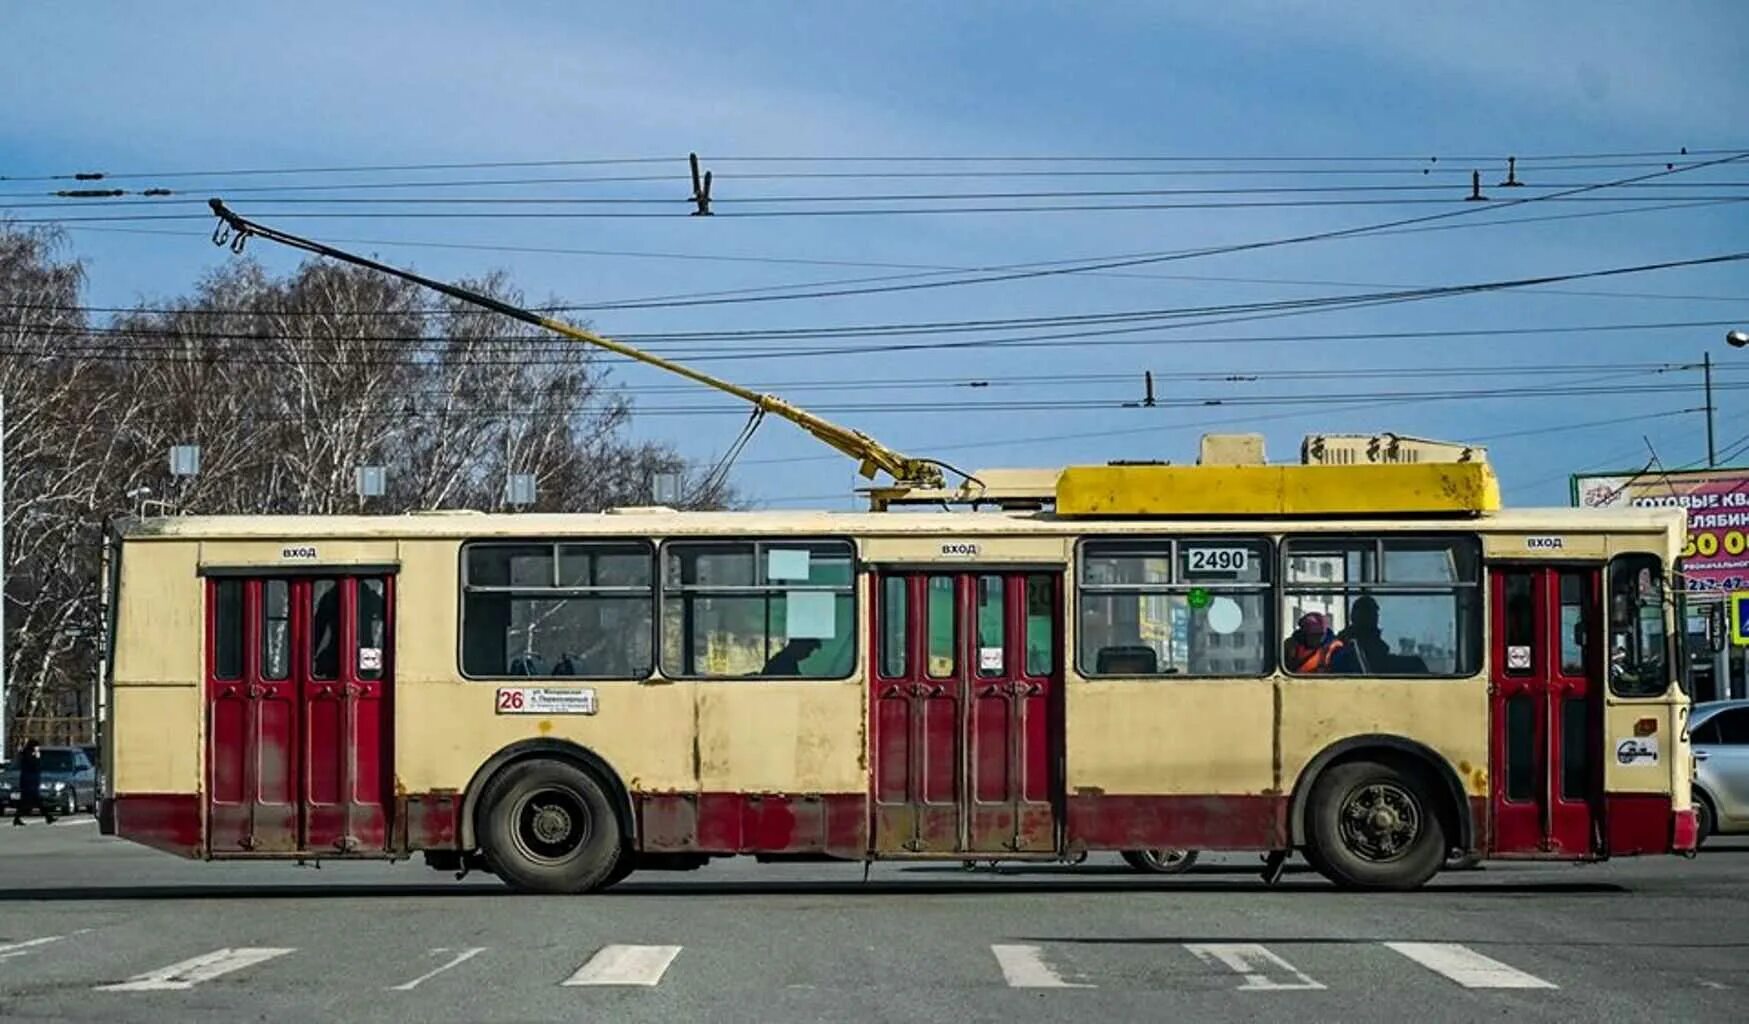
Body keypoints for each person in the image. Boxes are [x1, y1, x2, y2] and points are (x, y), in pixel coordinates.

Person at [1283, 612, 1353, 673]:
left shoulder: (1336, 648)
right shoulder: (1290, 645)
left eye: (1321, 634)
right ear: (1303, 634)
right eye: (1313, 635)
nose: (1319, 638)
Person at [1337, 595, 1391, 672]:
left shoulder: (1380, 645)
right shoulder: (1345, 641)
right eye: (1372, 613)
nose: (1376, 617)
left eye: (1376, 614)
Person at [11, 739, 57, 826]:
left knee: (27, 801)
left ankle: (17, 819)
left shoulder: (27, 753)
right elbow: (35, 766)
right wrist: (37, 757)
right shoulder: (29, 754)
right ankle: (48, 817)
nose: (38, 748)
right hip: (29, 781)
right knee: (35, 800)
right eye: (37, 746)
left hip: (30, 781)